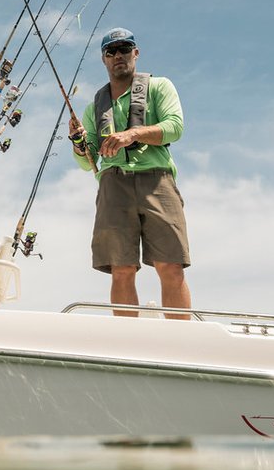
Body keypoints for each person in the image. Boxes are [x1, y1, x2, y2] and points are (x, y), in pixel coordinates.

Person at [67, 27, 192, 319]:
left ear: (136, 53)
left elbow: (175, 127)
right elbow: (87, 162)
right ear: (104, 59)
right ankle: (128, 341)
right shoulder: (93, 107)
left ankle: (183, 341)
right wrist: (77, 142)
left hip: (157, 179)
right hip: (113, 185)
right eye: (111, 51)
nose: (118, 56)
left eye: (124, 49)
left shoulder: (159, 86)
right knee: (121, 269)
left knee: (170, 264)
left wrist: (132, 134)